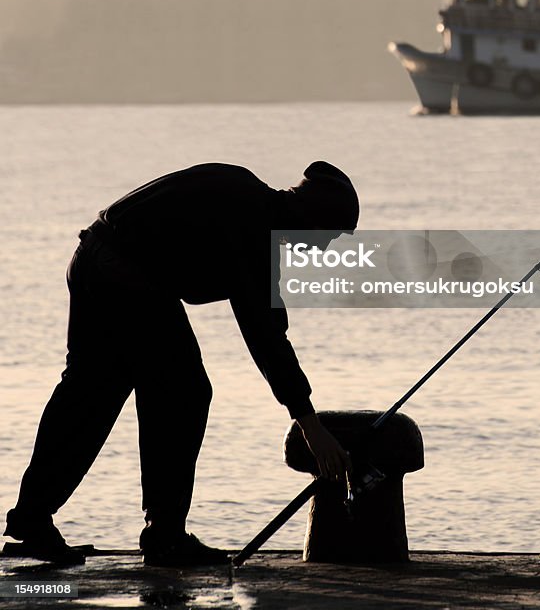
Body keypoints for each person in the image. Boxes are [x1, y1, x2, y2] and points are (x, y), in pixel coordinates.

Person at [4, 160, 359, 566]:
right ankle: (165, 535)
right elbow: (265, 334)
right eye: (328, 236)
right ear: (309, 219)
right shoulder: (253, 225)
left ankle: (33, 519)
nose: (324, 248)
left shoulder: (247, 198)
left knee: (88, 397)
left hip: (91, 259)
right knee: (184, 392)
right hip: (124, 274)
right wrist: (310, 424)